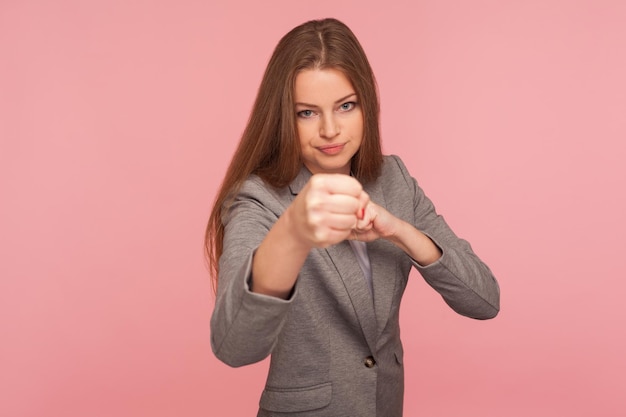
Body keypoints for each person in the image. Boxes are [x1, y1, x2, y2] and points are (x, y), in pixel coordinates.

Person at [206, 17, 500, 417]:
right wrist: (294, 231)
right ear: (282, 118)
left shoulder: (394, 179)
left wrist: (398, 231)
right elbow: (235, 346)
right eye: (307, 113)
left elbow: (485, 300)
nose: (330, 129)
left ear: (366, 104)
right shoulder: (257, 198)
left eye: (346, 106)